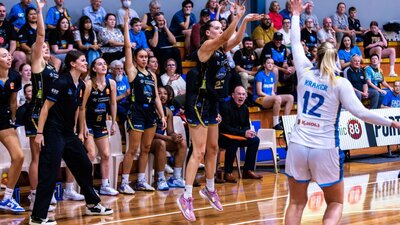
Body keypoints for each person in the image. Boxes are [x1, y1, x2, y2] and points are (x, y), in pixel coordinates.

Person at [284, 2, 400, 225]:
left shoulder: (304, 71)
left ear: (316, 57)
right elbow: (363, 114)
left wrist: (296, 14)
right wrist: (393, 124)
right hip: (325, 147)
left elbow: (295, 42)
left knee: (296, 204)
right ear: (335, 59)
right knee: (335, 203)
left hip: (298, 144)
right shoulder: (340, 83)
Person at [177, 3, 260, 221]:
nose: (219, 29)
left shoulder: (221, 50)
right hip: (198, 103)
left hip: (212, 102)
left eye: (220, 26)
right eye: (215, 27)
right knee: (199, 151)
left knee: (214, 149)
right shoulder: (205, 49)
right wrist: (236, 16)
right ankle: (186, 197)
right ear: (207, 32)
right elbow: (225, 38)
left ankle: (210, 188)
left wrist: (244, 22)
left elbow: (235, 40)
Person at [30, 49, 113, 225]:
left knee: (84, 163)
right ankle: (38, 217)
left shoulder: (82, 85)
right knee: (50, 171)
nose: (85, 63)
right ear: (72, 64)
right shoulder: (60, 82)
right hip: (53, 131)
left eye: (85, 61)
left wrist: (79, 129)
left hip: (68, 132)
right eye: (82, 60)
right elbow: (45, 108)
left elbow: (78, 109)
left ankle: (92, 203)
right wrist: (39, 133)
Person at [28, 1, 82, 212]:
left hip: (52, 115)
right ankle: (34, 195)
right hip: (37, 112)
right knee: (37, 157)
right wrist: (40, 10)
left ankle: (46, 193)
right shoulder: (38, 64)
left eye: (48, 48)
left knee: (50, 157)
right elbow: (41, 36)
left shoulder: (52, 67)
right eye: (42, 47)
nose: (46, 49)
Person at [119, 11, 166, 194]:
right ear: (136, 59)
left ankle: (140, 180)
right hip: (136, 111)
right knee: (133, 149)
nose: (144, 59)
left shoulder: (152, 75)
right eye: (141, 57)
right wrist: (125, 24)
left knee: (146, 147)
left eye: (146, 57)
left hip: (150, 113)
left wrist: (162, 115)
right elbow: (127, 48)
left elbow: (155, 97)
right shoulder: (132, 71)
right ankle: (124, 182)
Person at [81, 57, 119, 196]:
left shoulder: (112, 83)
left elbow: (113, 104)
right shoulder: (88, 84)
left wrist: (113, 122)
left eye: (104, 63)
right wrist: (83, 125)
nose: (103, 65)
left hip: (101, 122)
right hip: (89, 123)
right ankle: (89, 187)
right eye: (99, 64)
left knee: (106, 154)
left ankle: (104, 185)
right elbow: (82, 107)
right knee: (91, 154)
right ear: (93, 68)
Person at [219, 85, 262, 183]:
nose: (241, 96)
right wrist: (243, 133)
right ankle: (228, 173)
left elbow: (246, 125)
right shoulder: (225, 106)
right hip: (223, 137)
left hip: (239, 136)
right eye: (239, 94)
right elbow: (225, 127)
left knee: (255, 140)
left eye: (243, 94)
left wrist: (248, 132)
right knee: (233, 141)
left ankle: (248, 170)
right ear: (233, 95)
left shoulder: (245, 108)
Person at [0, 47, 25, 213]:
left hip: (4, 121)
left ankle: (7, 198)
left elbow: (13, 101)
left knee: (19, 156)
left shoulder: (15, 76)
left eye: (9, 55)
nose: (9, 58)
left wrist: (13, 120)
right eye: (4, 56)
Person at [151, 86, 187, 190]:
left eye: (165, 94)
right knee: (161, 143)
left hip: (161, 140)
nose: (162, 96)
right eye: (159, 93)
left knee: (182, 142)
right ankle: (161, 179)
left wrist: (175, 135)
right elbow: (151, 134)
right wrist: (168, 138)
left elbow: (170, 131)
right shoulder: (150, 109)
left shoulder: (168, 111)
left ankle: (176, 177)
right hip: (148, 141)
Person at [253, 57, 294, 129]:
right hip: (259, 98)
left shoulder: (272, 75)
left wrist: (274, 96)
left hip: (269, 98)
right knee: (277, 98)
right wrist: (273, 98)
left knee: (290, 97)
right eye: (268, 63)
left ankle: (285, 121)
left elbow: (271, 91)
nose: (270, 65)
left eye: (272, 63)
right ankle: (276, 123)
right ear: (264, 65)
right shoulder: (260, 75)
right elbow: (259, 92)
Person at [0, 3, 26, 71]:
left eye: (3, 11)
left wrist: (9, 54)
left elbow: (13, 43)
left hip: (7, 52)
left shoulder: (9, 25)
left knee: (21, 55)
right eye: (0, 11)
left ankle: (16, 77)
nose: (2, 13)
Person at [106, 60, 130, 130]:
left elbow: (129, 92)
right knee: (124, 112)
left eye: (122, 69)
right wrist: (124, 95)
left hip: (126, 103)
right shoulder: (108, 80)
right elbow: (109, 101)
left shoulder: (125, 78)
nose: (120, 71)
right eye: (118, 69)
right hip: (115, 105)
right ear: (112, 70)